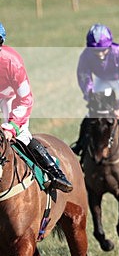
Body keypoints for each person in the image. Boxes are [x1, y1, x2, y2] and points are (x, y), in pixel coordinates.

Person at [0, 22, 73, 192]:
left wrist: (12, 126)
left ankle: (54, 172)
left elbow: (25, 99)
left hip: (12, 98)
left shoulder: (12, 62)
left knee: (21, 134)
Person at [71, 24, 119, 157]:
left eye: (103, 50)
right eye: (96, 51)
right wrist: (90, 96)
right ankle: (81, 144)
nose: (100, 55)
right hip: (103, 79)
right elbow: (84, 77)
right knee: (92, 114)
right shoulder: (85, 55)